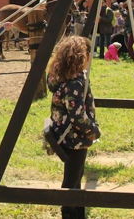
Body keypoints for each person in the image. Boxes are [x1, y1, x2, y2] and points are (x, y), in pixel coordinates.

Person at [46, 36, 101, 219]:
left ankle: (76, 212)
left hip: (64, 133)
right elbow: (77, 115)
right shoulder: (74, 83)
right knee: (72, 180)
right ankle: (70, 214)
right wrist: (93, 130)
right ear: (80, 57)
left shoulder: (59, 78)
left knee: (74, 177)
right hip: (74, 138)